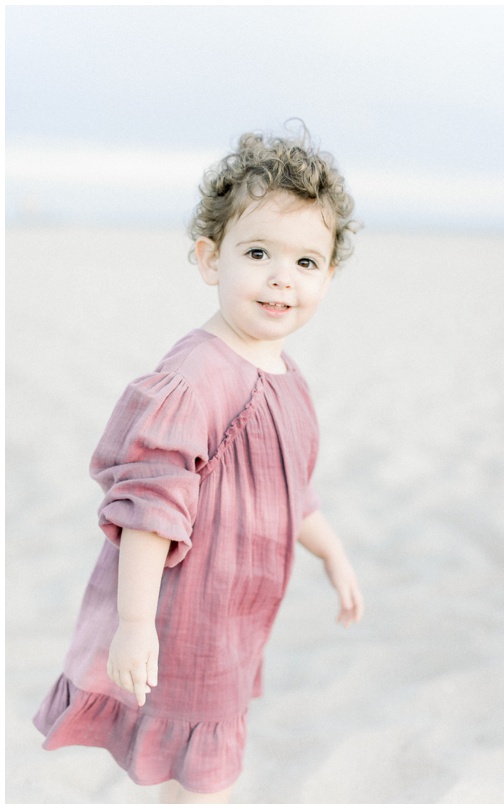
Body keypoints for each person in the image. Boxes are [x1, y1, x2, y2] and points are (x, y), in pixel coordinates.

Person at [33, 128, 364, 803]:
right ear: (211, 258)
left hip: (235, 614)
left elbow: (287, 488)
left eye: (306, 262)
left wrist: (332, 553)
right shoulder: (194, 378)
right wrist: (133, 624)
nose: (281, 276)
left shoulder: (285, 374)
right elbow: (149, 511)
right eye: (259, 252)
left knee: (199, 761)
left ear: (329, 276)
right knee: (200, 767)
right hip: (181, 613)